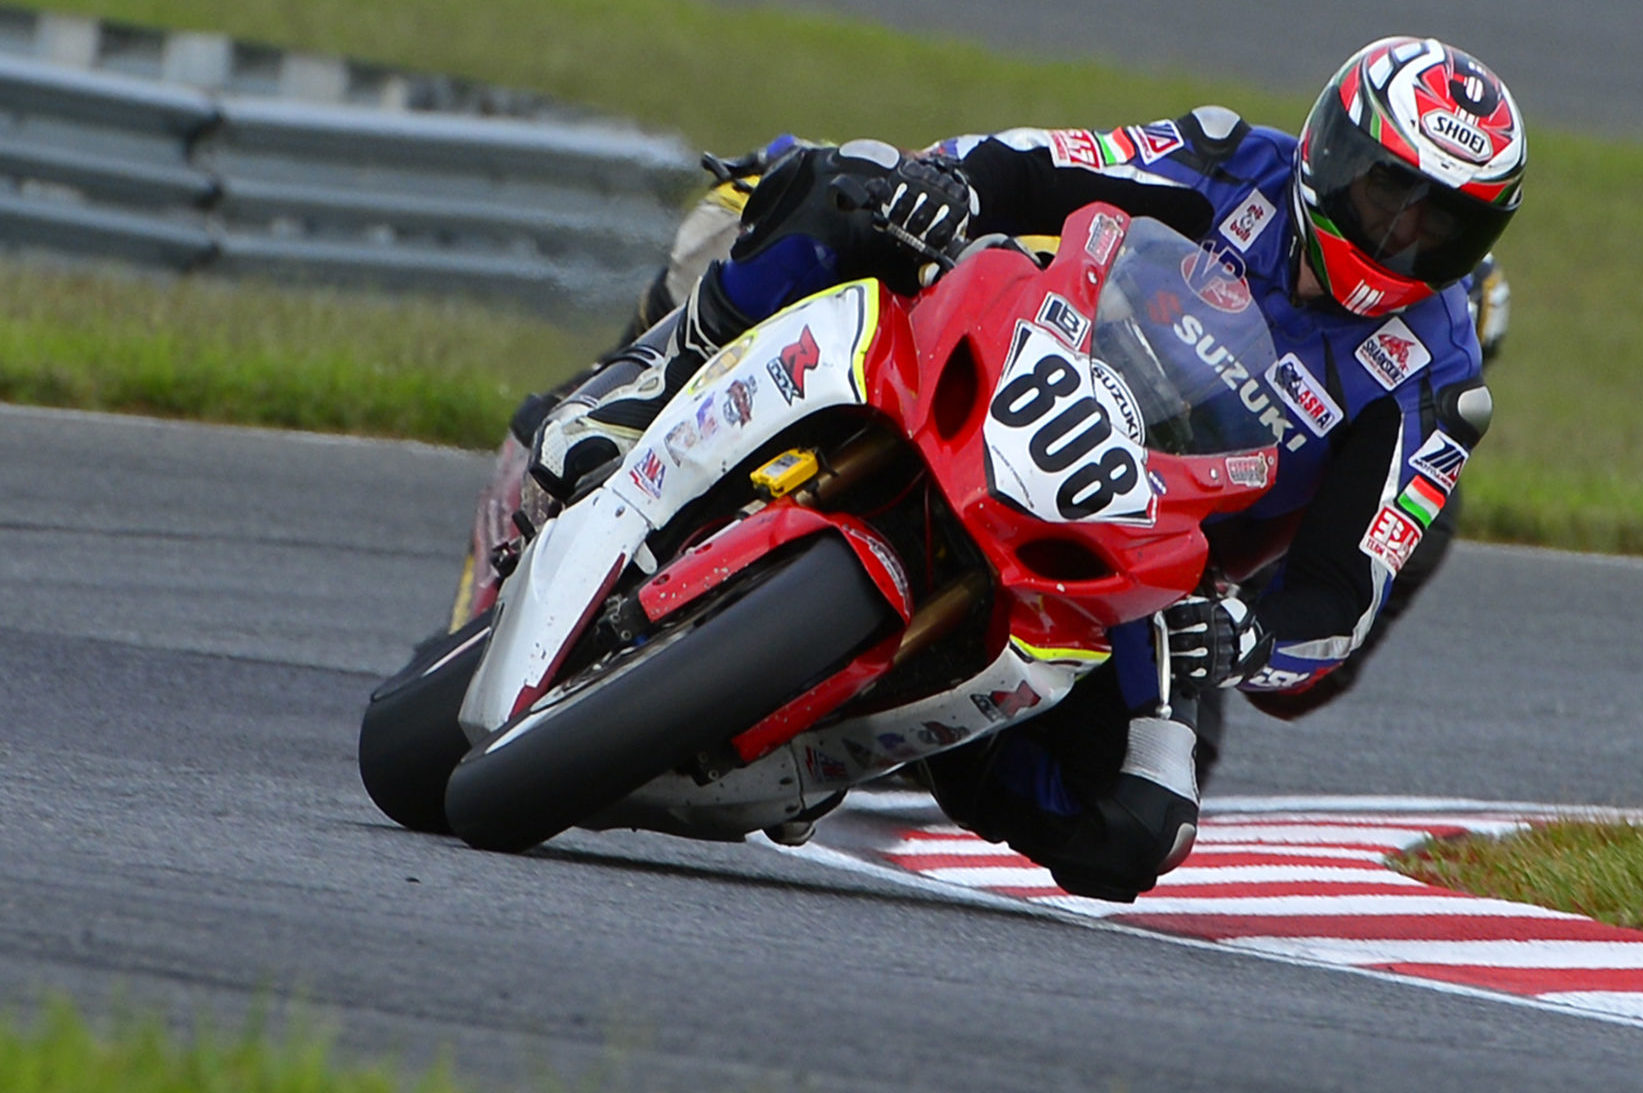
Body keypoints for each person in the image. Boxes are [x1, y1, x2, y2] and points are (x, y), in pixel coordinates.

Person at [522, 36, 1526, 901]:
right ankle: (633, 403)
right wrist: (950, 182)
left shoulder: (1435, 384)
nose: (1403, 234)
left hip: (1143, 571)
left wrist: (1250, 633)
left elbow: (1338, 602)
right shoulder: (1229, 160)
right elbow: (1037, 162)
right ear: (1334, 149)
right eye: (1393, 192)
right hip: (1028, 369)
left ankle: (928, 734)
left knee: (1134, 828)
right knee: (841, 188)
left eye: (1442, 222)